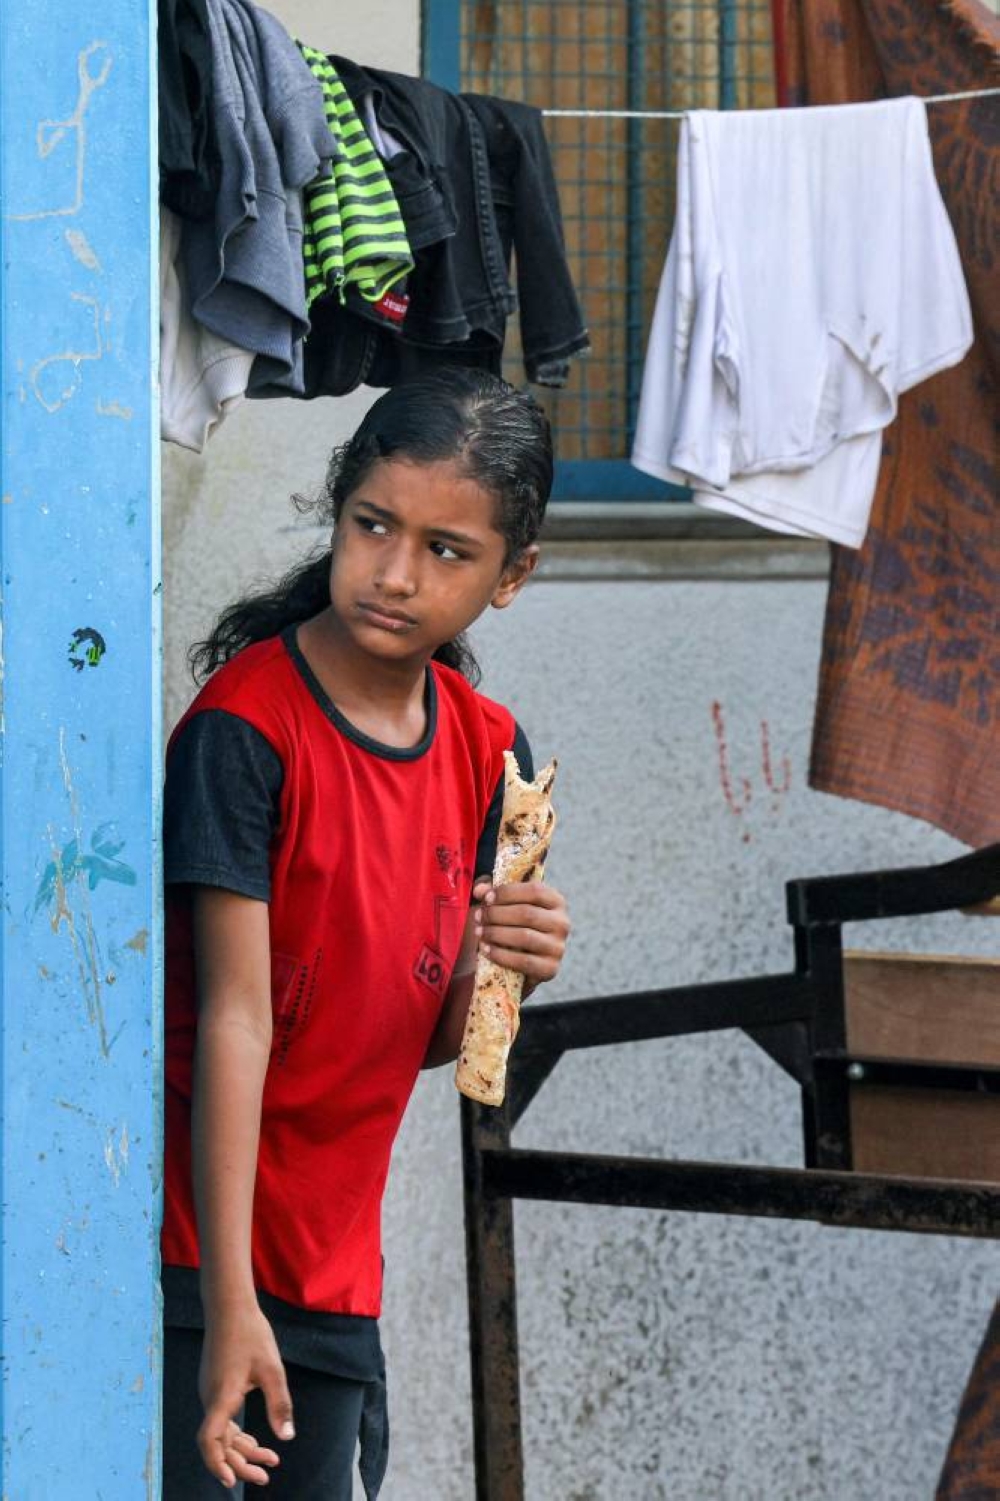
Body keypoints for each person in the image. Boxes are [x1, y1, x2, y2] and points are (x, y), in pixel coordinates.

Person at [160, 369, 571, 1498]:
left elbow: (430, 1035)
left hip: (334, 1270)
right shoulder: (245, 730)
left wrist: (508, 964)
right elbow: (238, 1018)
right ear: (336, 510)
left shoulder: (493, 756)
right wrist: (230, 1308)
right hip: (197, 1257)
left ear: (510, 576)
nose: (395, 573)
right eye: (373, 526)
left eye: (447, 550)